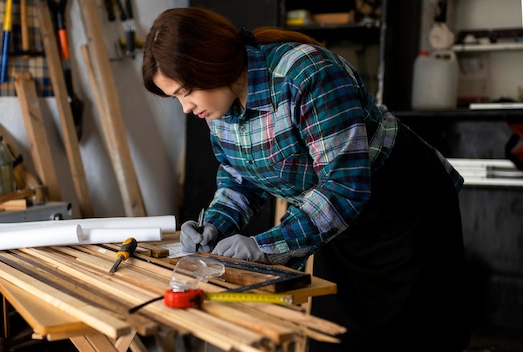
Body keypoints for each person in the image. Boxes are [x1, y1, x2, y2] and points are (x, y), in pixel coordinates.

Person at [142, 7, 470, 352]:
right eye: (175, 96)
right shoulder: (218, 106)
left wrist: (263, 247)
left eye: (185, 91)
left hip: (404, 206)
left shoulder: (308, 75)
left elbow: (343, 187)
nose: (186, 108)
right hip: (335, 220)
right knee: (332, 334)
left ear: (212, 63)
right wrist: (216, 224)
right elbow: (240, 179)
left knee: (414, 336)